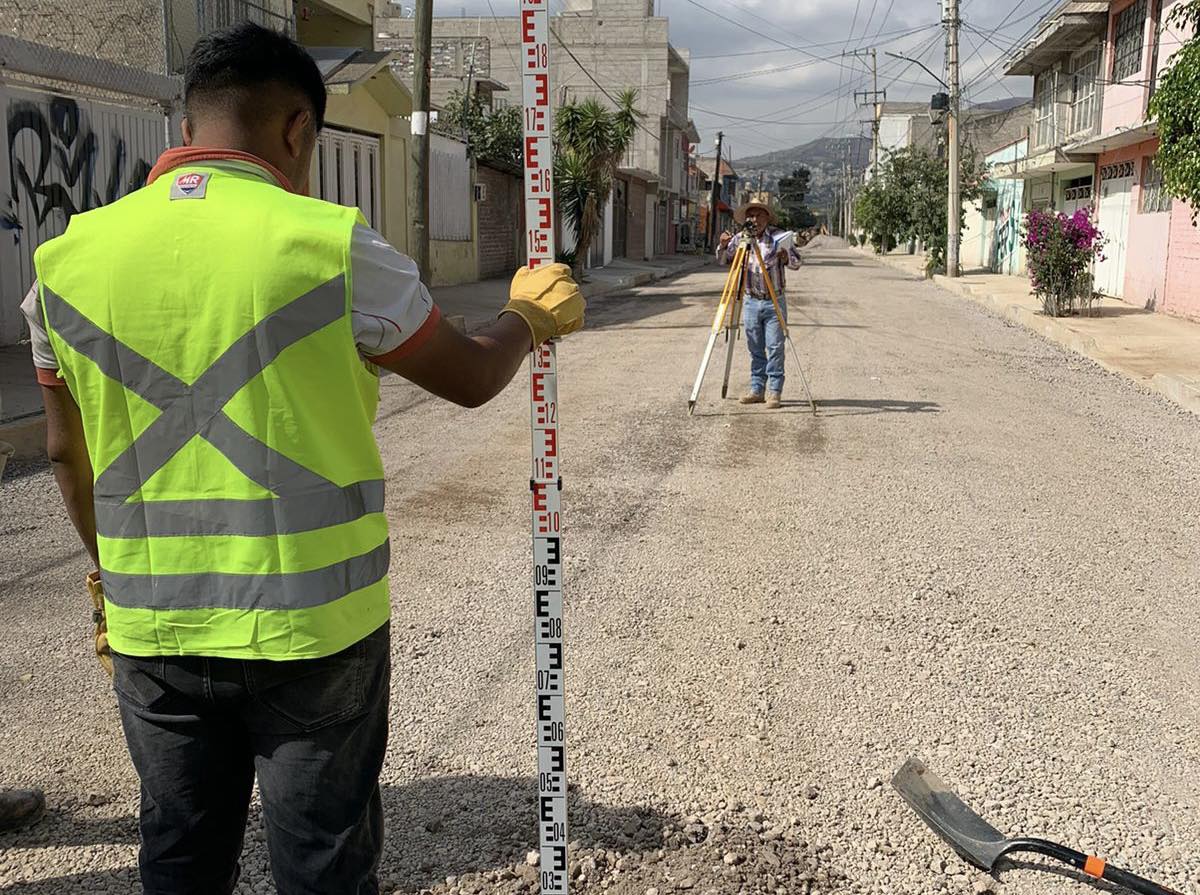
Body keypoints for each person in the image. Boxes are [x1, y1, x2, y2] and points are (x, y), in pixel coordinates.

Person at [19, 22, 583, 895]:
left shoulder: (60, 266)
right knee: (322, 862)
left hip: (152, 629)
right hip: (315, 633)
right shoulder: (332, 245)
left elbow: (65, 452)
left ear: (186, 128)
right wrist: (525, 317)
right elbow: (470, 379)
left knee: (179, 853)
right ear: (295, 130)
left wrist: (107, 574)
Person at [716, 201, 802, 409]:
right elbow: (723, 259)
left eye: (758, 215)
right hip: (751, 300)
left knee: (774, 347)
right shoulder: (741, 238)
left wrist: (786, 256)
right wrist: (723, 245)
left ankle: (774, 392)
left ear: (767, 218)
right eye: (750, 216)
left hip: (774, 301)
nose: (754, 220)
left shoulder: (778, 237)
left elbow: (797, 263)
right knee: (755, 347)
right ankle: (757, 389)